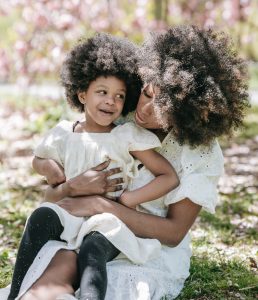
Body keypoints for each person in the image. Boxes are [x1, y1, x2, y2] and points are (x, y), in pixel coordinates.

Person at [1, 25, 249, 300]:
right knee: (50, 281)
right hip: (85, 229)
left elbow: (174, 232)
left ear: (186, 110)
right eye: (147, 93)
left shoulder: (200, 153)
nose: (143, 110)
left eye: (161, 106)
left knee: (96, 272)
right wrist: (72, 187)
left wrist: (103, 205)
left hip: (149, 250)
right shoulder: (117, 114)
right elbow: (54, 198)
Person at [7, 33, 179, 300]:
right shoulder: (64, 133)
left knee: (92, 249)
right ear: (81, 94)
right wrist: (48, 167)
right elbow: (37, 158)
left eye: (119, 96)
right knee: (40, 216)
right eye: (102, 92)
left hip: (108, 221)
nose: (111, 101)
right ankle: (15, 292)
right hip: (70, 213)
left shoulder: (125, 136)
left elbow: (168, 176)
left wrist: (129, 198)